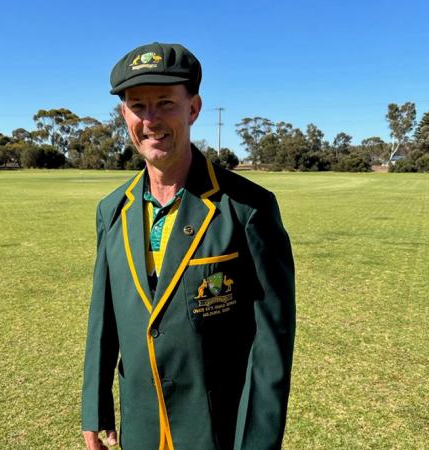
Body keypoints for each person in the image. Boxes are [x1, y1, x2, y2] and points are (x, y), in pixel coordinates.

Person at [81, 42, 296, 450]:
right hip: (141, 428)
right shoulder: (112, 210)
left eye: (165, 103)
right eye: (137, 106)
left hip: (215, 430)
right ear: (124, 113)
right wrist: (94, 405)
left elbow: (271, 345)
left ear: (193, 108)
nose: (151, 120)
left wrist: (258, 442)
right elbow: (102, 316)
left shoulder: (248, 209)